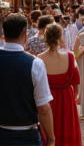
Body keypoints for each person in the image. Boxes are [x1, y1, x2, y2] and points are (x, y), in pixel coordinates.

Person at [0, 14, 55, 146]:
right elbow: (43, 108)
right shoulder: (35, 64)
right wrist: (51, 137)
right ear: (25, 34)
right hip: (27, 134)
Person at [38, 24, 81, 146]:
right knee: (67, 129)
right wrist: (74, 95)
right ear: (60, 37)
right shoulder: (70, 56)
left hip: (48, 98)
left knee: (50, 130)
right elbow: (76, 81)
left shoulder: (39, 59)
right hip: (66, 97)